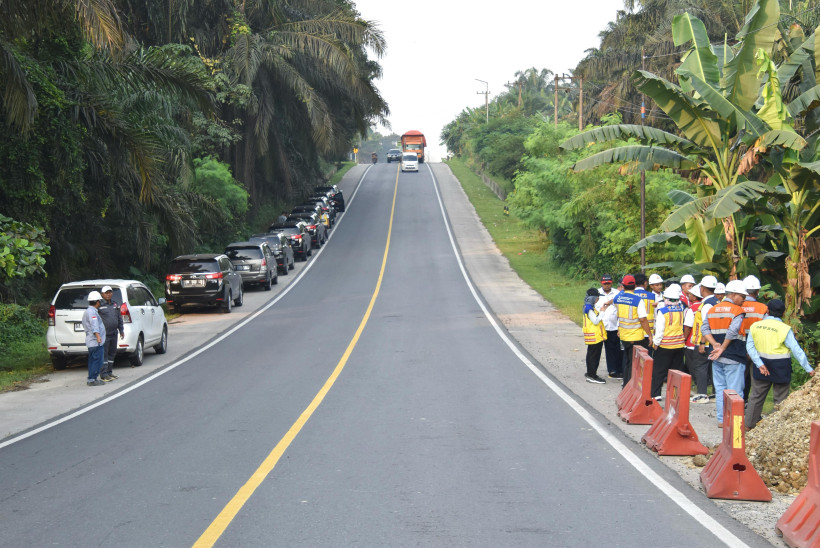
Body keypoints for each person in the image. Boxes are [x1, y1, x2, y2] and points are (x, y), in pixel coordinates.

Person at [745, 299, 816, 429]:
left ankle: (749, 425)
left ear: (767, 310)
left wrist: (759, 364)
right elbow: (796, 350)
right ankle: (776, 429)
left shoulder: (755, 326)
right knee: (780, 400)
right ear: (783, 313)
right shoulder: (784, 329)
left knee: (756, 397)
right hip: (781, 368)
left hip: (762, 367)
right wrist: (808, 369)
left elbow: (750, 347)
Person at [701, 279, 748, 427]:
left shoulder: (713, 309)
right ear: (734, 295)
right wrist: (723, 347)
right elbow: (733, 332)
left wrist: (714, 344)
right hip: (733, 356)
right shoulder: (737, 311)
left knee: (721, 389)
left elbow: (704, 329)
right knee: (735, 390)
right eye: (742, 296)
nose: (744, 300)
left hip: (716, 356)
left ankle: (722, 420)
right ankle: (734, 421)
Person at [613, 274, 651, 386]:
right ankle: (629, 386)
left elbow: (618, 315)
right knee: (634, 363)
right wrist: (650, 335)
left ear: (623, 286)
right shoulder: (638, 300)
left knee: (628, 361)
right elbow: (643, 319)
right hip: (636, 337)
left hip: (624, 335)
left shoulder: (617, 298)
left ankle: (627, 384)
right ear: (634, 285)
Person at [651, 284, 686, 399]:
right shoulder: (681, 310)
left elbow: (660, 330)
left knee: (658, 371)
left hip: (665, 346)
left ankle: (656, 394)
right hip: (679, 345)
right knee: (676, 372)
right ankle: (675, 395)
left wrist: (655, 343)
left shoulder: (663, 311)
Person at [739, 275, 768, 400]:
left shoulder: (737, 306)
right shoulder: (764, 308)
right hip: (756, 345)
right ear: (757, 291)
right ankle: (750, 404)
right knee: (754, 377)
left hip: (739, 344)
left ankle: (738, 402)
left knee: (739, 376)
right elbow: (766, 331)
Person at [683, 284, 710, 402]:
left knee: (697, 368)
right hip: (706, 341)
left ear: (694, 296)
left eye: (689, 294)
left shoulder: (693, 309)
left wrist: (683, 339)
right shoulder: (706, 305)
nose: (688, 296)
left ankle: (701, 391)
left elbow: (688, 327)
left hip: (693, 342)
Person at [596, 274, 622, 379]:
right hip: (601, 327)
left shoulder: (617, 293)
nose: (607, 285)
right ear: (601, 283)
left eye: (609, 283)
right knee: (599, 350)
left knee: (616, 349)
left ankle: (615, 370)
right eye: (605, 283)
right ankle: (609, 370)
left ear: (612, 283)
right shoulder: (597, 293)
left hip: (614, 326)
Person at [98, 285, 123, 382]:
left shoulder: (115, 304)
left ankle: (109, 372)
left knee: (112, 353)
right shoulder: (99, 305)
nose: (108, 294)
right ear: (102, 294)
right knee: (104, 354)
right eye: (106, 293)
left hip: (114, 333)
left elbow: (119, 318)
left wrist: (121, 330)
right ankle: (103, 374)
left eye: (110, 292)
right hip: (104, 334)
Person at [582, 288, 607, 384]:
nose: (598, 299)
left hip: (594, 336)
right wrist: (602, 312)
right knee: (594, 356)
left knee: (591, 355)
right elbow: (595, 321)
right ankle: (592, 375)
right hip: (595, 337)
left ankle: (590, 373)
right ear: (592, 298)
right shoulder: (589, 308)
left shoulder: (588, 307)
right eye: (597, 298)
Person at [82, 291, 106, 386]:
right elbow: (94, 325)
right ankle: (92, 379)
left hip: (91, 341)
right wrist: (98, 337)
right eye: (99, 301)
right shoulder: (92, 312)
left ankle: (91, 378)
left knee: (92, 360)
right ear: (97, 302)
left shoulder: (87, 311)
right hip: (95, 342)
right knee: (98, 361)